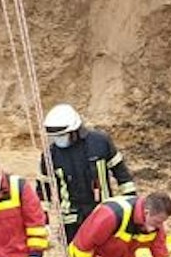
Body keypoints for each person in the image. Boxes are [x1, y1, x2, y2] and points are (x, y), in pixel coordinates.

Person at [40, 103, 135, 244]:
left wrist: (132, 207)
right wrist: (43, 222)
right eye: (55, 136)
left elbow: (122, 176)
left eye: (62, 135)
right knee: (76, 254)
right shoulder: (50, 156)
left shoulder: (100, 143)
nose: (59, 139)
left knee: (105, 251)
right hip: (72, 221)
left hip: (103, 213)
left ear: (75, 130)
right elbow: (43, 192)